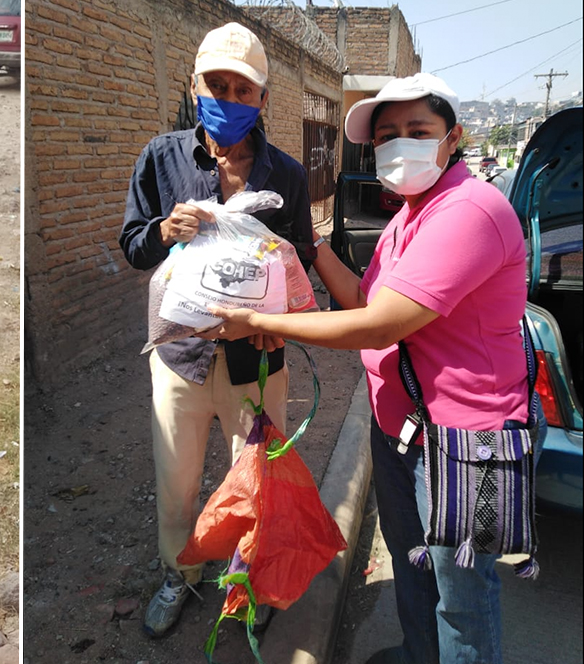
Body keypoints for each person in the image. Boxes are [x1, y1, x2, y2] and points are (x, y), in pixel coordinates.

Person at [201, 73, 540, 664]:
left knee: (462, 595)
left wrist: (261, 324)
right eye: (387, 137)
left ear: (451, 137)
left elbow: (379, 324)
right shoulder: (411, 215)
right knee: (414, 566)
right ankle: (418, 653)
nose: (400, 145)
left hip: (469, 442)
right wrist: (308, 247)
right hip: (404, 433)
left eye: (418, 131)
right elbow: (361, 296)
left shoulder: (471, 209)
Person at [118, 22, 316, 638]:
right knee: (176, 484)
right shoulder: (162, 157)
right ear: (195, 83)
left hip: (255, 363)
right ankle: (180, 576)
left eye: (242, 89)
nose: (227, 99)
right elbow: (132, 246)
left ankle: (247, 584)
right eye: (216, 84)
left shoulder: (286, 174)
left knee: (256, 482)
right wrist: (163, 232)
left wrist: (273, 323)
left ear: (261, 99)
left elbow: (300, 257)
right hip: (179, 358)